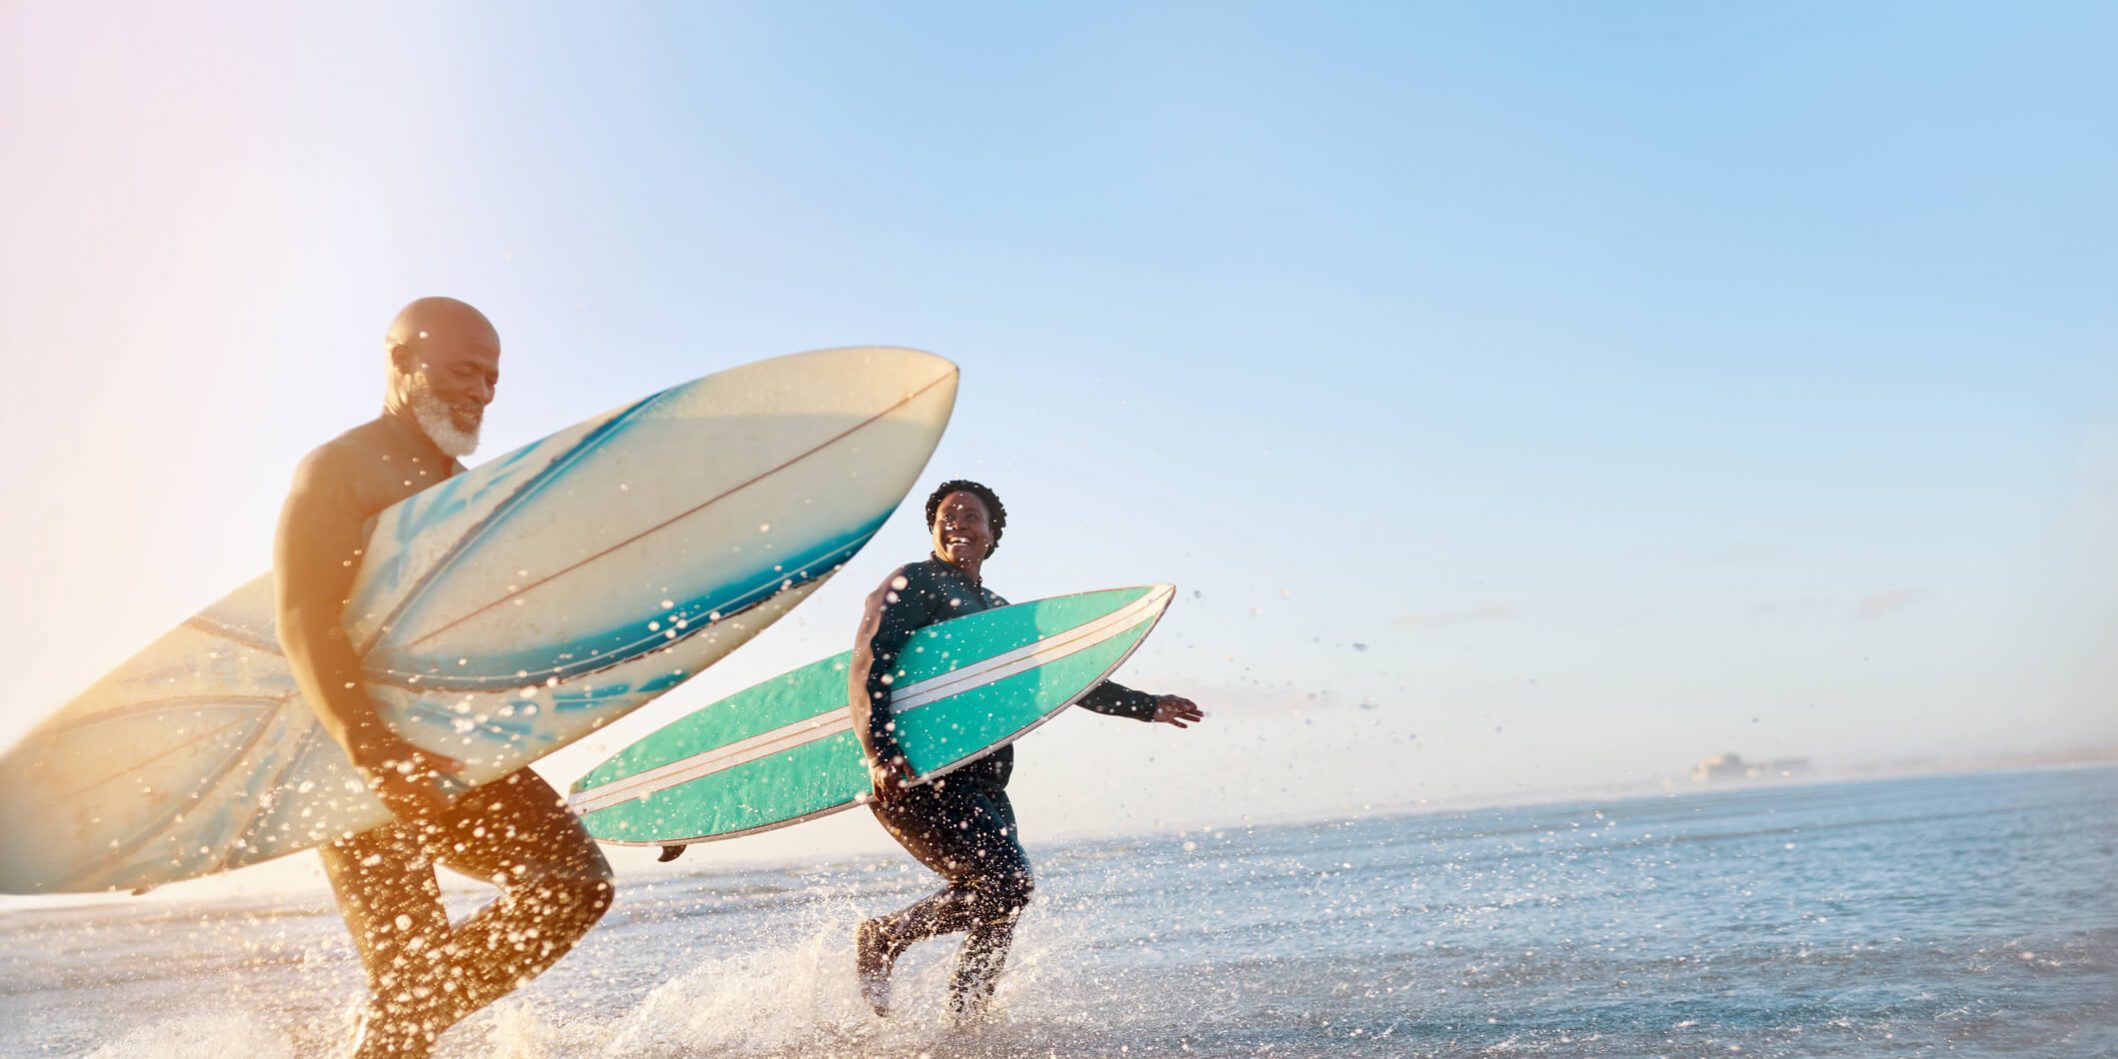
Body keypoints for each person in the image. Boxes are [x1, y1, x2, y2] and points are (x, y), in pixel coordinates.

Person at [274, 297, 614, 1058]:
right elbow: (301, 615)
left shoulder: (460, 484)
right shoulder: (343, 467)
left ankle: (391, 1028)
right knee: (410, 974)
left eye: (493, 377)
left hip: (451, 745)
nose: (484, 391)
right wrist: (368, 747)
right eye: (467, 369)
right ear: (401, 360)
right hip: (357, 760)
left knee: (573, 882)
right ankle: (398, 1024)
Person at [847, 479, 1205, 1020]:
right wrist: (879, 751)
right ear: (932, 528)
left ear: (993, 536)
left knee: (999, 908)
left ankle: (966, 1024)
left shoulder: (997, 610)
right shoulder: (912, 582)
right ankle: (884, 937)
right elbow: (868, 664)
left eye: (972, 517)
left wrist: (1145, 706)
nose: (958, 523)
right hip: (918, 775)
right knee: (1008, 884)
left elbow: (1062, 679)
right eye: (948, 515)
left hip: (983, 783)